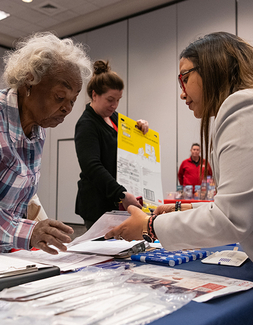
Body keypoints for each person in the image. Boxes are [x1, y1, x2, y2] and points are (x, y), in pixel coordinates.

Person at [105, 32, 253, 262]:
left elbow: (230, 219)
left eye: (184, 78)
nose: (182, 93)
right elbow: (242, 207)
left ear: (213, 68)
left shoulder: (242, 108)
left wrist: (150, 226)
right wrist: (181, 210)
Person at [0, 32, 92, 255]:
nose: (67, 109)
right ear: (29, 82)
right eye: (60, 97)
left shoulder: (37, 128)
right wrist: (29, 232)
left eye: (72, 100)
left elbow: (25, 199)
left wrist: (45, 231)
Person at [75, 60, 149, 229]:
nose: (114, 105)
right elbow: (92, 166)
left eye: (118, 100)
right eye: (110, 99)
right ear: (94, 95)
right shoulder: (87, 124)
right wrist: (121, 193)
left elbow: (129, 147)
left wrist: (141, 128)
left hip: (117, 200)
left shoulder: (115, 118)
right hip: (98, 205)